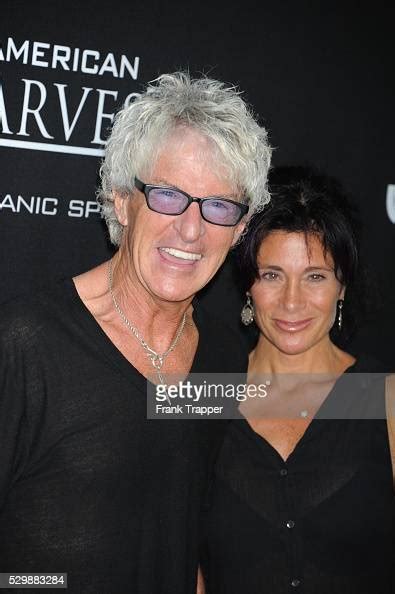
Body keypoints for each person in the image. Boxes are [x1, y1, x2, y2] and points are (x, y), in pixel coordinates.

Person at [0, 72, 271, 593]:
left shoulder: (221, 355)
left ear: (239, 230)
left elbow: (178, 522)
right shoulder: (25, 346)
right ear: (122, 200)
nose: (191, 230)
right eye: (168, 195)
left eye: (218, 205)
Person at [200, 166, 395, 593]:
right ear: (248, 284)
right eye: (272, 275)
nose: (292, 301)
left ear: (341, 287)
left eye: (315, 277)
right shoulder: (200, 397)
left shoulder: (387, 399)